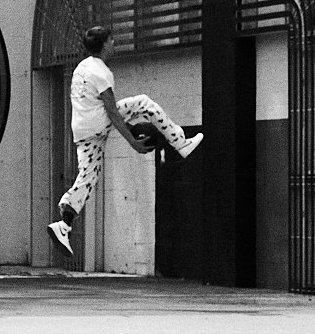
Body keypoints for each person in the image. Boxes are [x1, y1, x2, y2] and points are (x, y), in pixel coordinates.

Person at [48, 25, 201, 256]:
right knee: (143, 103)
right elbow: (111, 111)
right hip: (98, 122)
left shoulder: (82, 68)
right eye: (111, 40)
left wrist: (127, 128)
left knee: (88, 176)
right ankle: (179, 141)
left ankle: (64, 224)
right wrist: (132, 141)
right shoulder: (101, 72)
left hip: (82, 130)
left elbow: (100, 107)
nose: (114, 44)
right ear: (103, 45)